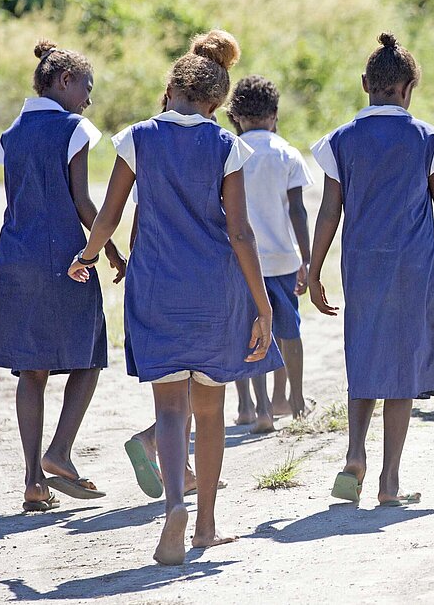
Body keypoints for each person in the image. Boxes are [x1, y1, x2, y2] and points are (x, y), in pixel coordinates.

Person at [69, 30, 283, 565]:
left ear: (171, 88)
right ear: (215, 104)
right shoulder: (227, 146)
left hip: (156, 287)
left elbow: (112, 214)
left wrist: (90, 254)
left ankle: (173, 508)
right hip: (216, 292)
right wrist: (263, 303)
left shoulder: (136, 137)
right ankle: (206, 526)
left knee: (169, 409)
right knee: (210, 412)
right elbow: (240, 234)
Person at [309, 32, 434, 506]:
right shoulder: (426, 139)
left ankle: (354, 454)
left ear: (366, 84)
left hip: (361, 266)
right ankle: (389, 482)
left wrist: (315, 268)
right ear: (408, 89)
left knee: (363, 359)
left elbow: (328, 213)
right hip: (413, 266)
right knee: (401, 373)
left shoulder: (340, 142)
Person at [0, 40, 126, 511]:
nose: (89, 99)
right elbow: (82, 202)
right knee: (89, 357)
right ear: (64, 81)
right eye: (87, 87)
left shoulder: (10, 133)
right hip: (64, 262)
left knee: (31, 369)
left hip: (13, 260)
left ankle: (32, 480)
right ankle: (60, 452)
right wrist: (109, 250)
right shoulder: (74, 128)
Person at [226, 75, 314, 430]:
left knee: (249, 331)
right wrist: (307, 258)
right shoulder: (287, 153)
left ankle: (255, 408)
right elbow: (298, 210)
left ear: (236, 116)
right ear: (275, 114)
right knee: (288, 331)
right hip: (282, 261)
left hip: (242, 262)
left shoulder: (230, 152)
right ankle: (295, 400)